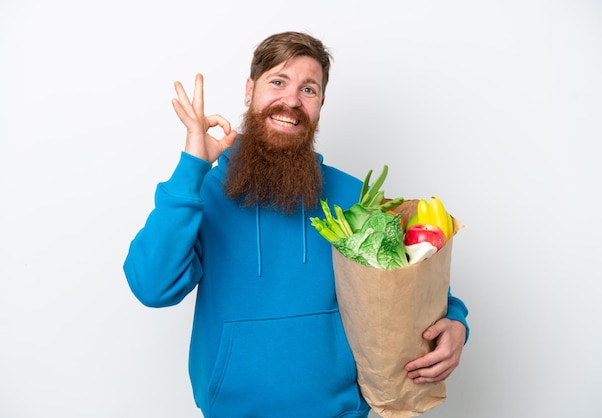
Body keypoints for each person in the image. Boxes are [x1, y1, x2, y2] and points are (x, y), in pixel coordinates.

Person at [124, 31, 469, 418]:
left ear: (321, 103)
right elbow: (152, 287)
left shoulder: (355, 197)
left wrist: (456, 322)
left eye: (308, 89)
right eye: (278, 82)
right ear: (249, 90)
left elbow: (412, 285)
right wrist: (191, 166)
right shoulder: (199, 192)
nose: (291, 100)